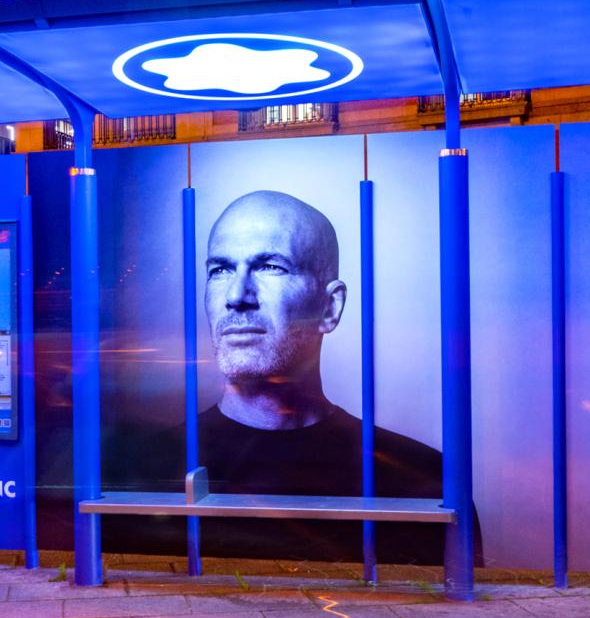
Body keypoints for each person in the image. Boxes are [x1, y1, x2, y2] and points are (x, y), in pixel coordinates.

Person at [112, 190, 463, 566]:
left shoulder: (422, 482)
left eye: (270, 268)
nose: (237, 295)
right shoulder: (139, 474)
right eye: (221, 270)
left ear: (330, 307)